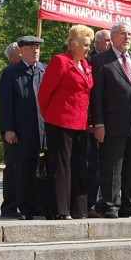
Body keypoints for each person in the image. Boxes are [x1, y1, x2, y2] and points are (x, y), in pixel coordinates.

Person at [90, 21, 131, 218]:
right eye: (123, 34)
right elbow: (97, 95)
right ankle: (110, 205)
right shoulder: (100, 60)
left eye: (130, 34)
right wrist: (98, 123)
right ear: (113, 36)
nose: (128, 37)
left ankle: (130, 204)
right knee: (112, 167)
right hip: (113, 123)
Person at [38, 25, 95, 220]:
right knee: (62, 167)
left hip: (80, 123)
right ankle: (62, 210)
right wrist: (50, 117)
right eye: (85, 45)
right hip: (60, 122)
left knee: (79, 165)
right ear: (72, 44)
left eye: (89, 45)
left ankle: (79, 209)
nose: (88, 48)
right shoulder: (60, 61)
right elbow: (44, 93)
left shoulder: (86, 65)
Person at [0, 36, 46, 220]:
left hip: (42, 128)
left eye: (37, 48)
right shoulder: (11, 73)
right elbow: (6, 103)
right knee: (23, 168)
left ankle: (40, 205)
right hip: (21, 129)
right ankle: (25, 208)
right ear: (22, 51)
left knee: (41, 166)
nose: (35, 51)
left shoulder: (44, 70)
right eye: (31, 48)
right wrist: (8, 128)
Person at [86, 29, 112, 218]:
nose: (110, 43)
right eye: (107, 40)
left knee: (108, 163)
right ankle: (91, 203)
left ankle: (105, 202)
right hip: (94, 122)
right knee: (93, 163)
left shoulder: (112, 59)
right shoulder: (91, 61)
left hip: (111, 120)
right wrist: (91, 120)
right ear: (97, 43)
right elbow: (90, 94)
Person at [0, 41, 23, 218]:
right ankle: (10, 206)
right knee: (13, 167)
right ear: (12, 57)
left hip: (29, 127)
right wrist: (8, 128)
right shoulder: (6, 74)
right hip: (13, 128)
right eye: (21, 51)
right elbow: (6, 104)